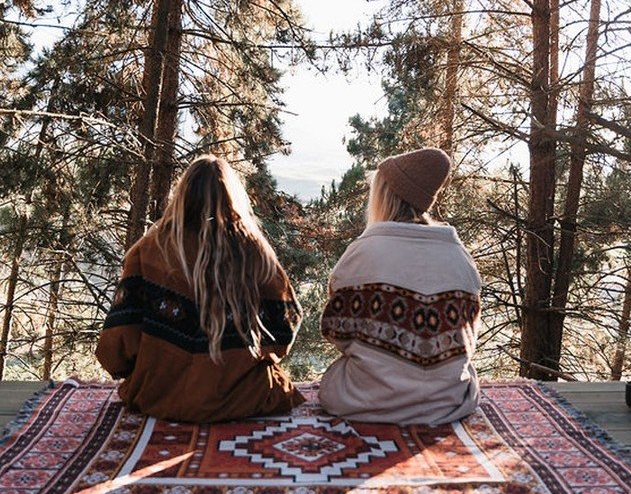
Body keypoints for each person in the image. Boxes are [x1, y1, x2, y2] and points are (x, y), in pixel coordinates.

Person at [96, 154, 304, 422]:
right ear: (232, 197)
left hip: (157, 395)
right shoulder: (254, 250)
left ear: (183, 193)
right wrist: (259, 356)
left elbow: (118, 340)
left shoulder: (150, 249)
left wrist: (139, 368)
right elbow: (285, 325)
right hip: (240, 396)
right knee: (277, 386)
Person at [318, 147, 482, 424]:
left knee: (336, 379)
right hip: (447, 402)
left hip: (364, 401)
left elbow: (335, 332)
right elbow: (468, 335)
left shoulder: (361, 253)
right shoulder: (460, 257)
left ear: (383, 195)